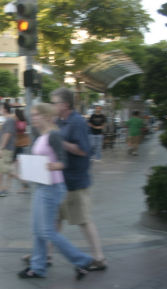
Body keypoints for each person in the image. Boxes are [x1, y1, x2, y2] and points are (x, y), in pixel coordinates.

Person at [18, 103, 94, 280]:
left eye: (36, 114)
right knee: (37, 230)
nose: (33, 118)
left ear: (46, 116)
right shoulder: (41, 135)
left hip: (52, 188)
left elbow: (63, 162)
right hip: (41, 185)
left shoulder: (54, 135)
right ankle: (37, 267)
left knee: (47, 231)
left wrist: (52, 166)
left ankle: (82, 260)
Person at [51, 88, 107, 270]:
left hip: (75, 181)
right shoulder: (60, 122)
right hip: (61, 180)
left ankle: (99, 258)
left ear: (65, 105)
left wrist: (61, 143)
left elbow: (83, 150)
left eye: (55, 103)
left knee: (83, 220)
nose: (53, 106)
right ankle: (44, 254)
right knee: (55, 219)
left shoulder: (77, 123)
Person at [0, 103, 17, 197]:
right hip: (6, 148)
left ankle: (0, 189)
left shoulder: (9, 120)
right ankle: (4, 188)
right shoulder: (8, 120)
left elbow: (7, 134)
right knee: (4, 169)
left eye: (0, 108)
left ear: (5, 109)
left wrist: (1, 148)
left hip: (5, 148)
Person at [14, 108, 30, 192]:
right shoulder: (24, 122)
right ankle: (24, 183)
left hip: (17, 145)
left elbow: (16, 131)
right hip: (23, 145)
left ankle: (24, 183)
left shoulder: (16, 123)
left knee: (14, 168)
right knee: (18, 167)